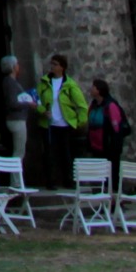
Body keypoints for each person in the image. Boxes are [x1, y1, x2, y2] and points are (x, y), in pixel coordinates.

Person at [36, 55, 88, 186]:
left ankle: (68, 180)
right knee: (49, 153)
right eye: (51, 64)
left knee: (65, 153)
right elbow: (36, 101)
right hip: (49, 124)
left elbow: (81, 105)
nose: (52, 66)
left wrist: (78, 122)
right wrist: (42, 110)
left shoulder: (69, 85)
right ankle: (51, 180)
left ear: (62, 67)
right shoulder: (44, 83)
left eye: (55, 64)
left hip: (64, 124)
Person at [0, 54, 35, 173]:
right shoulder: (9, 82)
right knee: (19, 152)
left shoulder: (11, 81)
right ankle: (16, 183)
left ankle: (17, 182)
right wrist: (28, 104)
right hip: (16, 119)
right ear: (13, 66)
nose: (18, 66)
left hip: (17, 119)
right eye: (17, 64)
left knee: (19, 152)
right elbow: (12, 103)